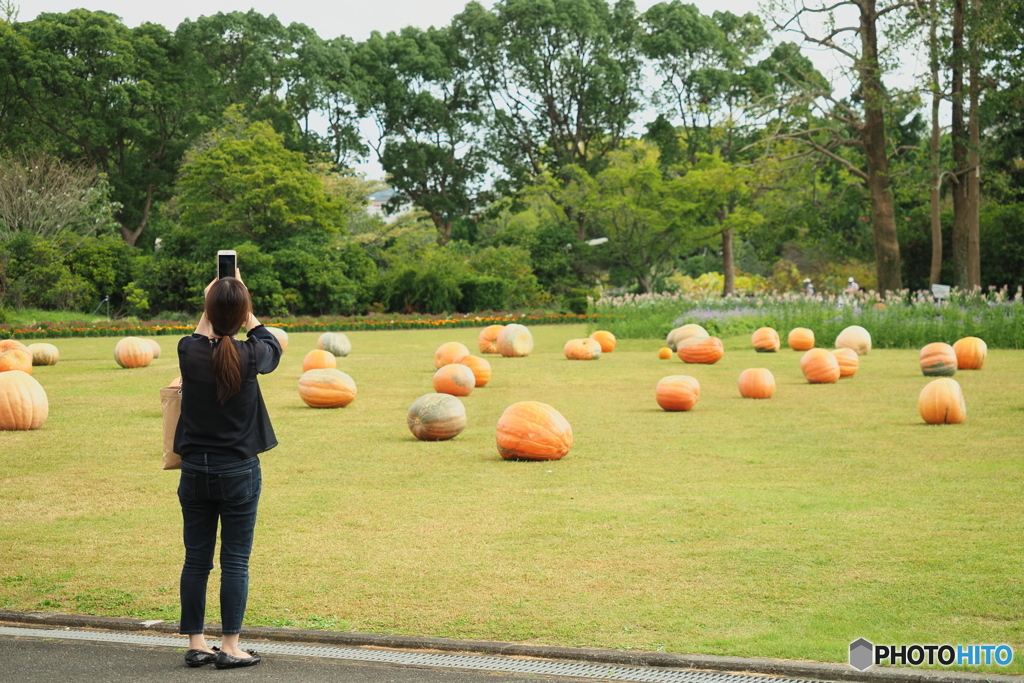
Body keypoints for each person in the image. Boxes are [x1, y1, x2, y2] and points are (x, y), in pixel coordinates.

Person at [174, 272, 282, 669]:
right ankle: (231, 646)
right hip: (238, 471)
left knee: (196, 559)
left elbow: (203, 333)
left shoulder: (189, 350)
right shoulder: (252, 354)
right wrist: (246, 311)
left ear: (206, 311)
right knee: (235, 560)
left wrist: (213, 302)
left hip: (194, 472)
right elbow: (269, 342)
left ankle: (197, 643)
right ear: (241, 314)